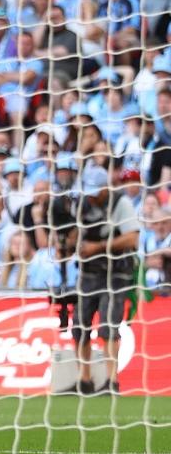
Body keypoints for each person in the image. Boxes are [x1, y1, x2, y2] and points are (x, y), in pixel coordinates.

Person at [70, 165, 141, 395]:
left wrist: (97, 248)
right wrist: (74, 245)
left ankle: (112, 381)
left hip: (116, 273)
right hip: (89, 273)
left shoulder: (121, 203)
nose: (92, 196)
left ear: (105, 188)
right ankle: (85, 380)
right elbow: (74, 234)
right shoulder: (81, 203)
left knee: (108, 325)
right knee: (80, 325)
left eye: (96, 192)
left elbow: (132, 239)